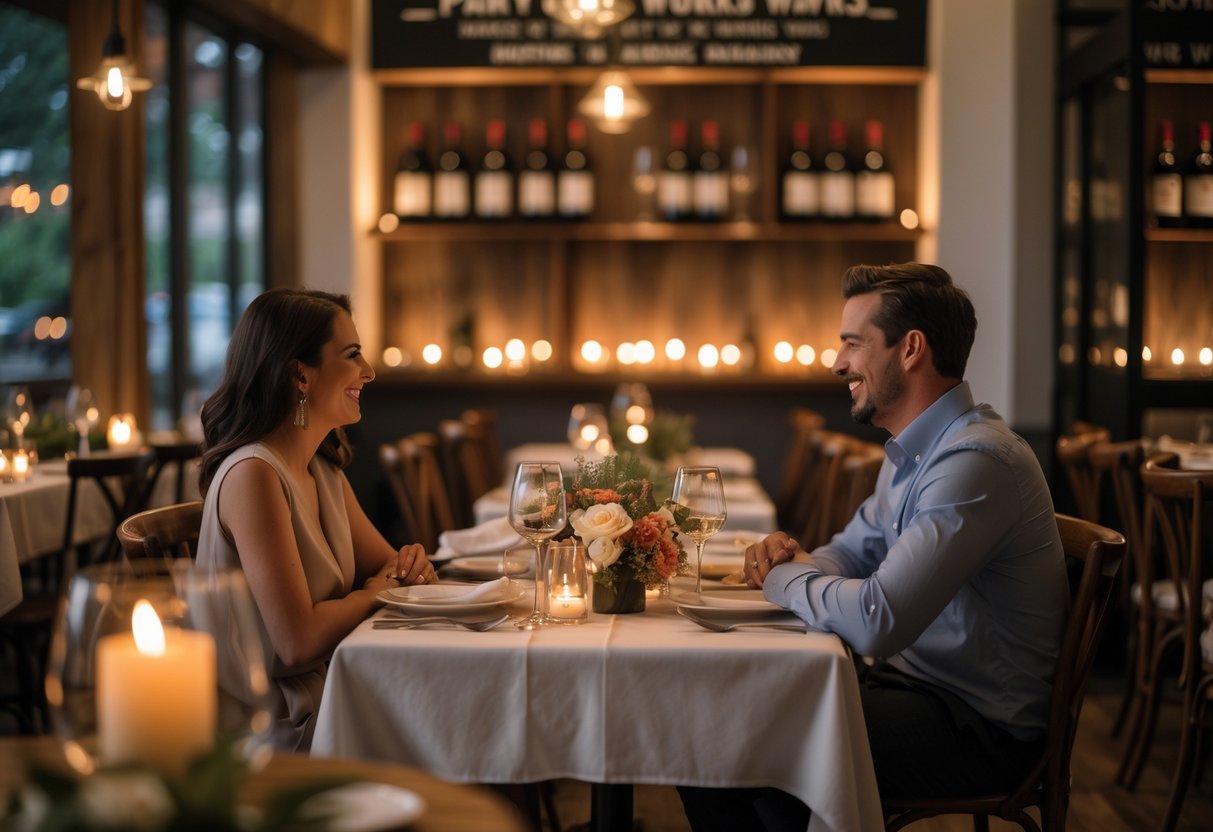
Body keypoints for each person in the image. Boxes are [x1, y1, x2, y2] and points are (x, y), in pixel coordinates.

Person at [680, 263, 1068, 830]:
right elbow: (848, 553)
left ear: (911, 349)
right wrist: (792, 554)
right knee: (721, 712)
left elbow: (877, 620)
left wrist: (780, 578)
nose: (838, 364)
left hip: (978, 728)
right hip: (912, 689)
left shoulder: (976, 462)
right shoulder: (912, 453)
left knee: (724, 733)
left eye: (853, 344)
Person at [196, 288, 436, 752]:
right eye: (352, 355)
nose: (369, 372)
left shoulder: (322, 470)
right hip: (273, 726)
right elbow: (297, 641)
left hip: (337, 690)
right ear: (299, 376)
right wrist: (377, 592)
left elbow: (399, 571)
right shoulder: (253, 475)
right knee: (450, 718)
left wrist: (409, 569)